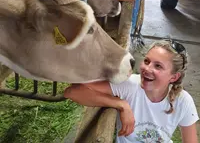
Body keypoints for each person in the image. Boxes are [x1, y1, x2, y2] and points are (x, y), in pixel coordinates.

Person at [64, 40, 199, 143]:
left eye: (158, 66)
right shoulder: (130, 85)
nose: (147, 68)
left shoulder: (182, 101)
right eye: (147, 61)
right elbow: (72, 92)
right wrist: (120, 103)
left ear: (174, 77)